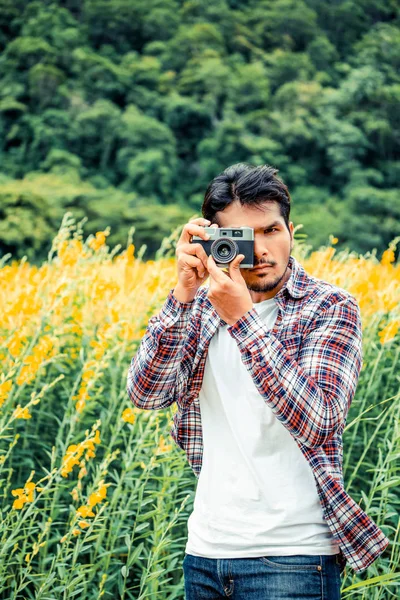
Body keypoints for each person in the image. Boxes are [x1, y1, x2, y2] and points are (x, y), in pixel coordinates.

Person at [127, 163, 389, 600]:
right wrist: (182, 295)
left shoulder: (329, 307)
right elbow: (146, 393)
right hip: (206, 551)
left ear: (291, 228)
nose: (263, 250)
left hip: (294, 556)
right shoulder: (202, 308)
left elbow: (320, 421)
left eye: (272, 230)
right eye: (244, 238)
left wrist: (243, 319)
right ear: (214, 242)